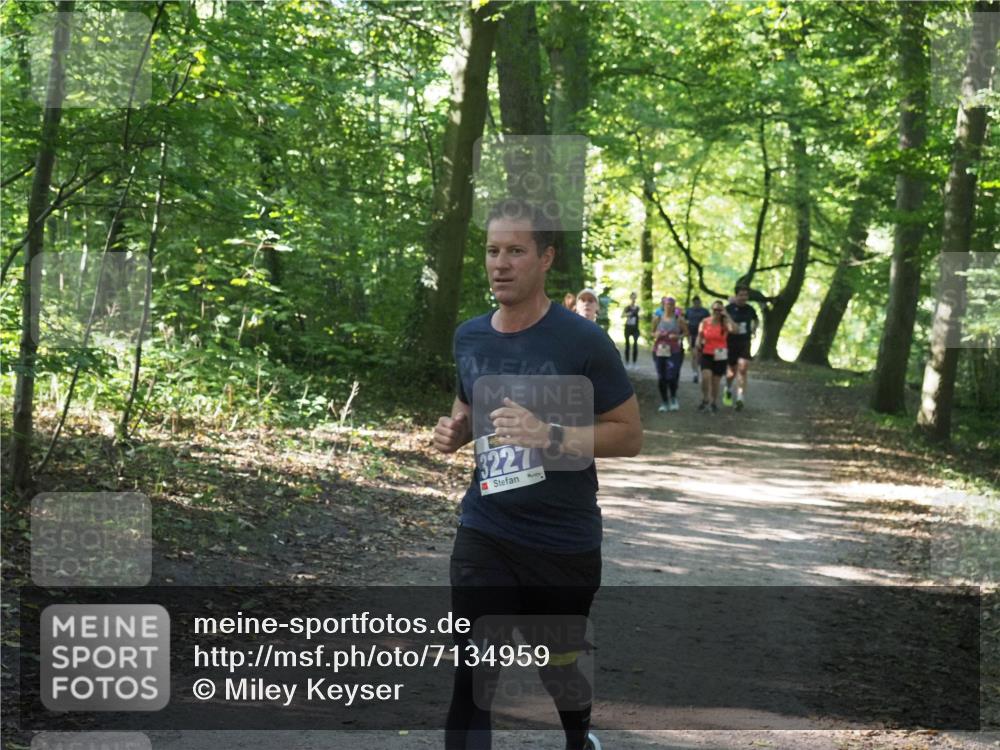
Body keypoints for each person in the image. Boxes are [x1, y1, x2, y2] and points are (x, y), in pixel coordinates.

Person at [433, 198, 642, 750]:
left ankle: (579, 737)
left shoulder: (583, 341)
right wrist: (457, 432)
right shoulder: (469, 336)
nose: (500, 263)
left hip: (562, 538)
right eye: (492, 251)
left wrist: (549, 435)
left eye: (516, 251)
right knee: (472, 676)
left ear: (546, 258)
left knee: (561, 667)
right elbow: (468, 404)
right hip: (486, 529)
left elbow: (629, 433)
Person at [696, 300, 737, 412]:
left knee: (716, 381)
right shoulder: (705, 322)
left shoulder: (725, 323)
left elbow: (734, 330)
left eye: (719, 310)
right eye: (715, 309)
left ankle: (713, 402)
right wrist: (698, 343)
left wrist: (727, 315)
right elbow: (699, 335)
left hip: (720, 355)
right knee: (706, 377)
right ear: (711, 310)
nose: (717, 312)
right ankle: (705, 398)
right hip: (707, 353)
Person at [724, 283, 759, 411]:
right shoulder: (729, 309)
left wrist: (754, 329)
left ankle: (740, 398)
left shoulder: (750, 309)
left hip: (745, 342)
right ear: (736, 295)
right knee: (731, 371)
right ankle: (727, 388)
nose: (743, 297)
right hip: (730, 343)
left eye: (745, 295)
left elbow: (756, 320)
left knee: (743, 369)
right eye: (741, 295)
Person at [651, 296, 688, 413]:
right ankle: (664, 401)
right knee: (661, 377)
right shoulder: (657, 318)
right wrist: (656, 334)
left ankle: (673, 398)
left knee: (671, 376)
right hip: (659, 351)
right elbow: (652, 332)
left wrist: (677, 336)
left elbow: (686, 332)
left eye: (671, 305)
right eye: (667, 304)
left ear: (674, 306)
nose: (669, 306)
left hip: (674, 351)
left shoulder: (678, 320)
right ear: (663, 305)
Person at [684, 296, 710, 383]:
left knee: (700, 355)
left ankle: (700, 369)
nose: (697, 304)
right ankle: (695, 373)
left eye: (698, 302)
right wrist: (687, 336)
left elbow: (709, 322)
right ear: (693, 302)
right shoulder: (689, 311)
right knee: (694, 354)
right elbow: (685, 323)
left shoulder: (705, 311)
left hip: (703, 335)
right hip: (692, 335)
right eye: (695, 302)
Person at [622, 292, 640, 366]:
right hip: (628, 328)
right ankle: (627, 362)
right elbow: (622, 315)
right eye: (632, 297)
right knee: (627, 345)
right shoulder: (627, 307)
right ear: (630, 298)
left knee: (635, 345)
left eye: (634, 297)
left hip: (635, 328)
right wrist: (627, 314)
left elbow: (642, 315)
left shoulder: (638, 308)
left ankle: (634, 362)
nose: (633, 298)